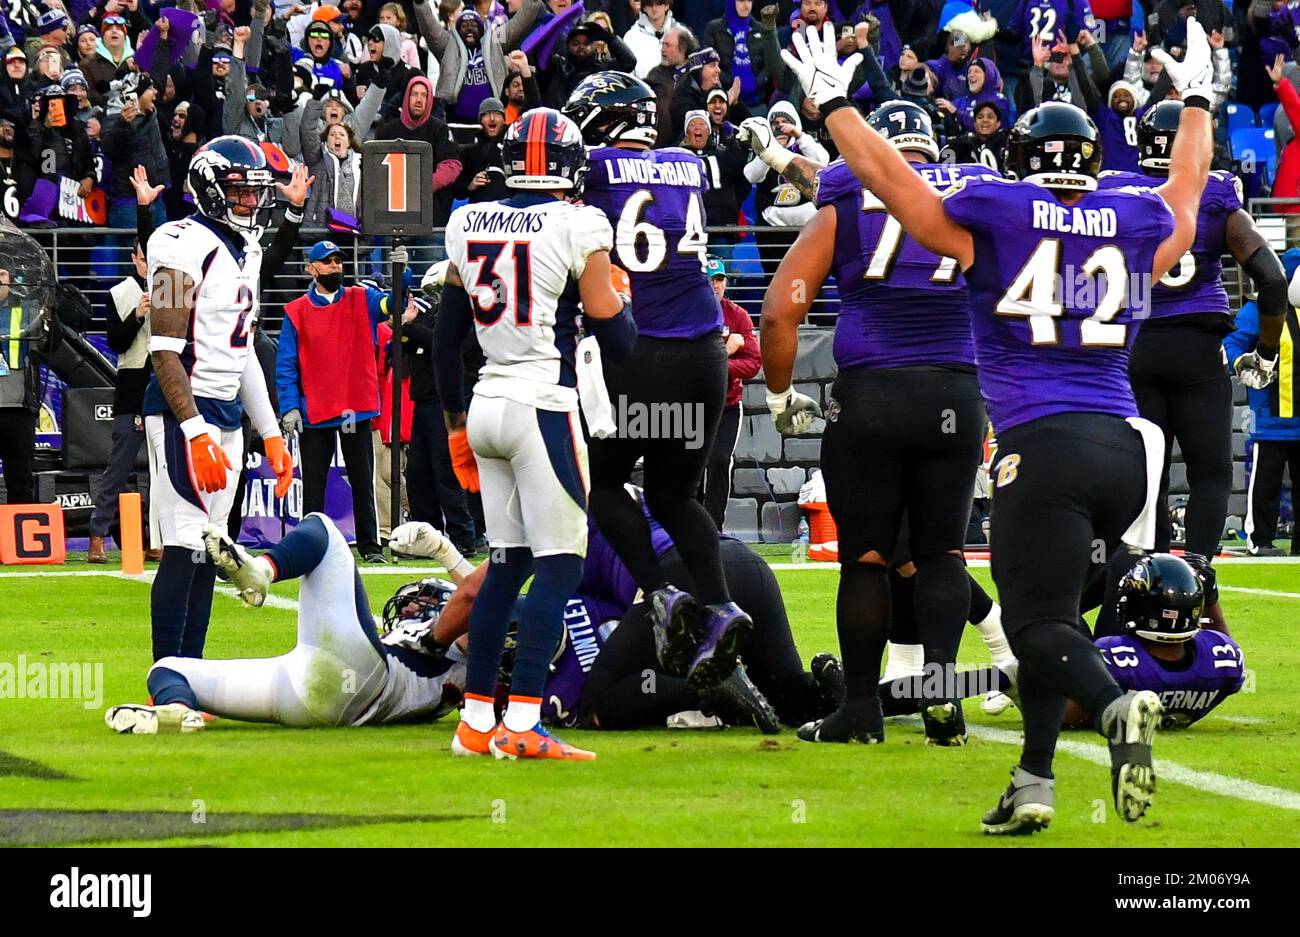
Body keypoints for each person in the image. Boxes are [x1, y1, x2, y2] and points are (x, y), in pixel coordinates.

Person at [778, 19, 1237, 832]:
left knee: (1036, 626)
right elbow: (1190, 199)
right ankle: (1033, 777)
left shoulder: (995, 214)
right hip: (1126, 446)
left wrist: (835, 108)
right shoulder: (1133, 217)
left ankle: (1113, 702)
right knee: (1055, 609)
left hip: (1044, 441)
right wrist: (1197, 101)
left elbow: (898, 190)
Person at [755, 99, 1000, 746]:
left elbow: (781, 310)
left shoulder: (845, 198)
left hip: (870, 398)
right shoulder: (975, 192)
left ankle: (860, 710)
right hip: (954, 391)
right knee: (944, 551)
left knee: (865, 559)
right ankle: (942, 694)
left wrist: (780, 397)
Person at [432, 107, 637, 761]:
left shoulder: (467, 220)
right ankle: (521, 723)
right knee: (561, 565)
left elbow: (445, 337)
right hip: (540, 405)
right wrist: (616, 296)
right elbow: (619, 339)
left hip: (487, 402)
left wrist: (455, 421)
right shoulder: (579, 222)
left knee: (505, 562)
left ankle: (475, 722)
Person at [565, 71, 755, 693]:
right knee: (677, 496)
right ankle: (722, 606)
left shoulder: (592, 168)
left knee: (607, 482)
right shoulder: (688, 163)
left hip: (635, 351)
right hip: (703, 356)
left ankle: (660, 593)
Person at [1098, 101, 1288, 562]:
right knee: (1209, 475)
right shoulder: (1216, 192)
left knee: (1150, 476)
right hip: (1198, 350)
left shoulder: (1114, 191)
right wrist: (1264, 354)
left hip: (1133, 346)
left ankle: (1153, 579)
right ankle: (1198, 578)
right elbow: (1273, 278)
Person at [143, 138, 305, 663]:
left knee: (210, 547)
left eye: (255, 193)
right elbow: (164, 350)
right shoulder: (177, 241)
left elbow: (245, 353)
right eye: (239, 192)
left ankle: (191, 675)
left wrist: (274, 433)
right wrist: (193, 433)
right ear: (211, 191)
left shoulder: (249, 249)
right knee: (186, 541)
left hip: (227, 412)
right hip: (181, 409)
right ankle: (166, 680)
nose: (250, 203)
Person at [104, 514, 474, 733]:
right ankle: (178, 711)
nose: (411, 611)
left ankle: (260, 572)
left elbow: (478, 598)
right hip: (310, 694)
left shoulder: (464, 649)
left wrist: (447, 552)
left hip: (364, 675)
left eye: (422, 605)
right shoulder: (459, 680)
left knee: (324, 531)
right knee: (167, 669)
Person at [276, 239, 394, 564]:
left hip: (354, 406)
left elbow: (390, 306)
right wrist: (289, 407)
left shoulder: (361, 298)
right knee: (313, 486)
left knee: (362, 480)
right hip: (315, 409)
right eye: (328, 262)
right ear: (311, 269)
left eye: (338, 261)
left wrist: (402, 273)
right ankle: (311, 547)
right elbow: (286, 363)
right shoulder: (296, 311)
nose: (335, 267)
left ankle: (370, 546)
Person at [89, 168, 167, 564]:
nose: (146, 263)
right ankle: (97, 536)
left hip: (163, 382)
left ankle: (155, 538)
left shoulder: (169, 287)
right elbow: (116, 342)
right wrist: (137, 314)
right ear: (135, 258)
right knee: (118, 468)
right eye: (142, 257)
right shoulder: (119, 292)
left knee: (160, 471)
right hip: (133, 384)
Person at [1222, 257, 1300, 557]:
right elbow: (1232, 343)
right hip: (1271, 419)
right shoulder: (1258, 310)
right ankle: (1259, 539)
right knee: (1265, 485)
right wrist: (1243, 363)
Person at [697, 257, 758, 529]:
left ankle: (714, 528)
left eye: (719, 279)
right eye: (710, 279)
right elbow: (689, 363)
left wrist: (718, 362)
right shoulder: (687, 313)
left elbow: (753, 363)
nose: (715, 285)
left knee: (720, 461)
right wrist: (727, 351)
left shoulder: (738, 316)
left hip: (727, 405)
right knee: (691, 465)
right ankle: (691, 525)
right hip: (692, 404)